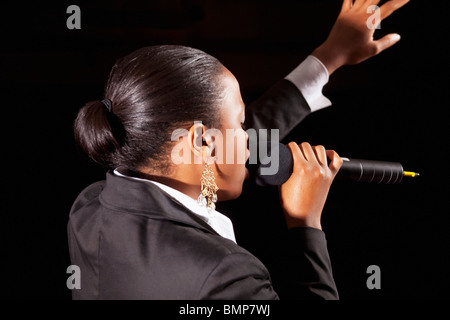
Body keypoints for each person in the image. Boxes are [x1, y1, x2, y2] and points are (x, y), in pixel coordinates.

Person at [68, 0, 409, 299]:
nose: (249, 138)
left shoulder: (90, 206)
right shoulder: (226, 274)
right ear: (203, 142)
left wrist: (329, 57)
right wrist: (306, 223)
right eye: (240, 122)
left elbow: (223, 142)